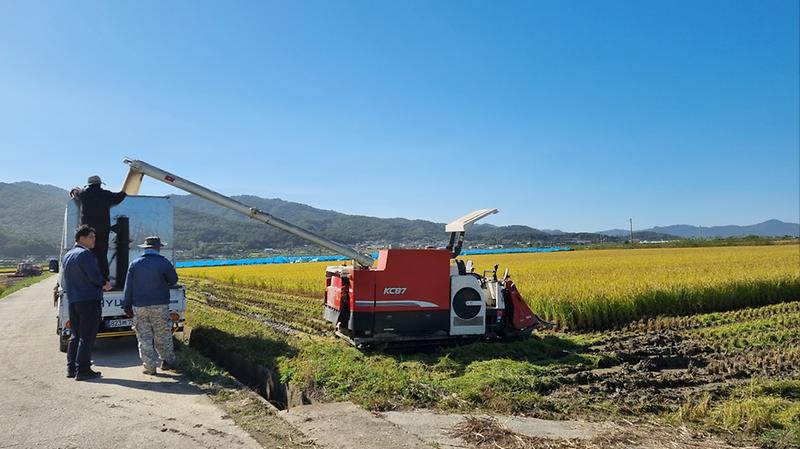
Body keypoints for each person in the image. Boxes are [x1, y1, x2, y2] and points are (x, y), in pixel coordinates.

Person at [122, 236, 179, 375]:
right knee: (163, 335)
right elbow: (173, 280)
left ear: (145, 248)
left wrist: (127, 306)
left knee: (144, 336)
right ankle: (167, 362)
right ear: (159, 247)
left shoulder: (134, 264)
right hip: (160, 304)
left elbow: (128, 287)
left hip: (139, 306)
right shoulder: (164, 263)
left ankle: (150, 367)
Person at [62, 224, 112, 380]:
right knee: (87, 336)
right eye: (91, 237)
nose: (94, 240)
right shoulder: (85, 255)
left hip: (74, 300)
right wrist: (104, 284)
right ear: (81, 238)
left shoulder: (68, 255)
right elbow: (94, 276)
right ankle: (83, 370)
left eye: (94, 237)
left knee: (76, 335)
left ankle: (72, 369)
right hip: (89, 299)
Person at [70, 175, 127, 285]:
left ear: (88, 185)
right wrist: (126, 190)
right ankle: (105, 280)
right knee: (102, 256)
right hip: (103, 231)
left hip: (87, 232)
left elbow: (74, 192)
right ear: (100, 184)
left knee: (86, 255)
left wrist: (73, 190)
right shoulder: (106, 194)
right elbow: (120, 197)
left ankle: (86, 279)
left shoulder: (83, 193)